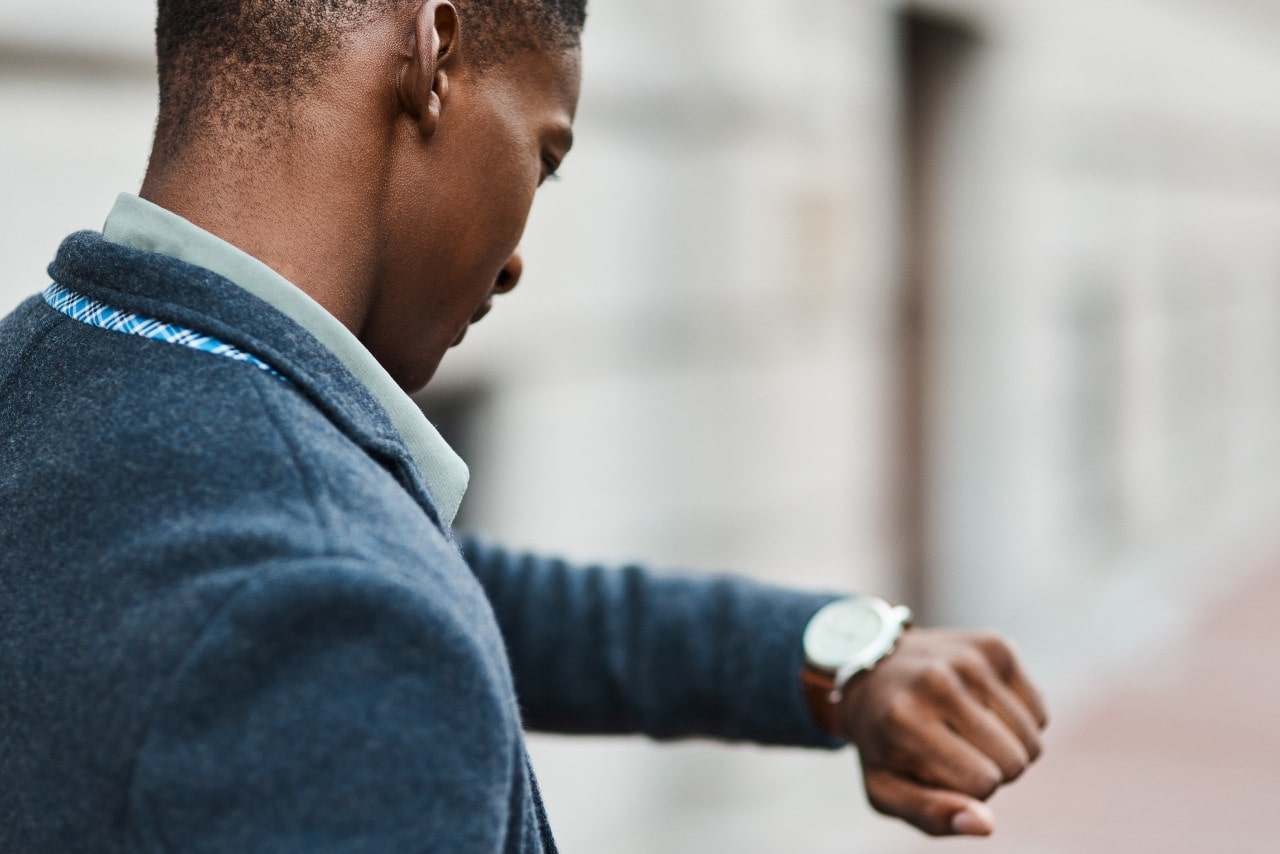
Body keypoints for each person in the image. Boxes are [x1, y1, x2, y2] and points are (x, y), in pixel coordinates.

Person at [0, 1, 1047, 850]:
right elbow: (367, 602)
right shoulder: (339, 614)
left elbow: (436, 581)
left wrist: (828, 657)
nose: (512, 261)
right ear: (435, 56)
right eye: (542, 156)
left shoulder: (55, 363)